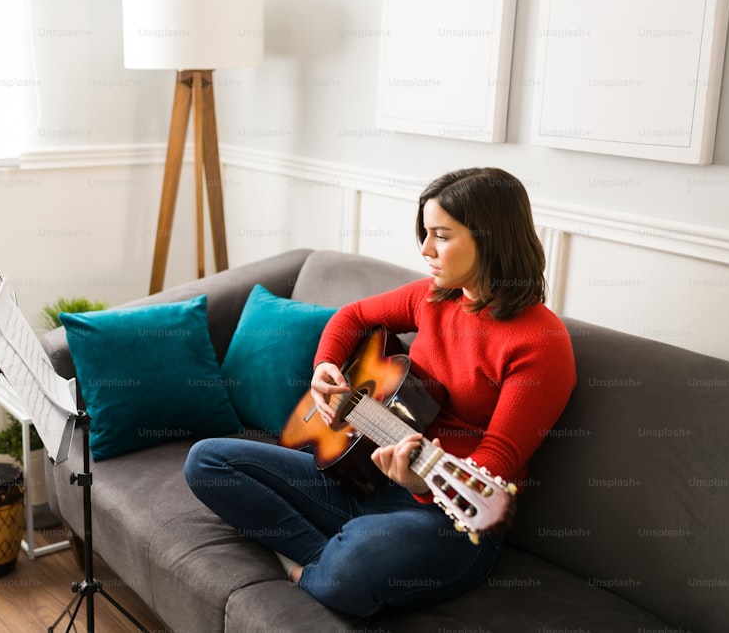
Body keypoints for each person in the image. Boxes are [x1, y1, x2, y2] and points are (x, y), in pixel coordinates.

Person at [184, 167, 577, 617]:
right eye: (425, 234)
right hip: (367, 477)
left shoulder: (541, 344)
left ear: (492, 239)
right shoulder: (434, 296)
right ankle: (329, 553)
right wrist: (326, 365)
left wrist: (421, 483)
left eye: (441, 236)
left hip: (449, 516)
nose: (425, 250)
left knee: (354, 567)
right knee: (207, 461)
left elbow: (498, 461)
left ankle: (311, 566)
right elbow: (351, 317)